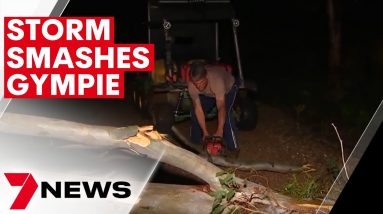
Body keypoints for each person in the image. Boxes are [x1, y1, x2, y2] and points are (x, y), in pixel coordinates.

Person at [188, 61, 240, 152]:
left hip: (228, 89)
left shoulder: (217, 80)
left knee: (226, 114)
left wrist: (219, 131)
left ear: (206, 77)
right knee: (194, 112)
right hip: (209, 94)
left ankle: (232, 148)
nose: (199, 87)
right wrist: (205, 132)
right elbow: (198, 109)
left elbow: (221, 107)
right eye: (196, 84)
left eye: (201, 82)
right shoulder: (192, 85)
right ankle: (195, 144)